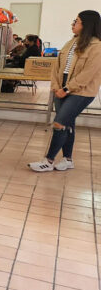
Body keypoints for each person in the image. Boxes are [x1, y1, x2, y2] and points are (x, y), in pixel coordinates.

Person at [30, 10, 101, 172]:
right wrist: (56, 86)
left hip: (80, 92)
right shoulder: (72, 42)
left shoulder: (97, 46)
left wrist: (67, 89)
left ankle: (48, 161)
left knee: (59, 123)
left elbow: (88, 74)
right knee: (68, 125)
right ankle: (68, 159)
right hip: (61, 88)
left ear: (86, 25)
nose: (73, 24)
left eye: (76, 21)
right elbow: (58, 65)